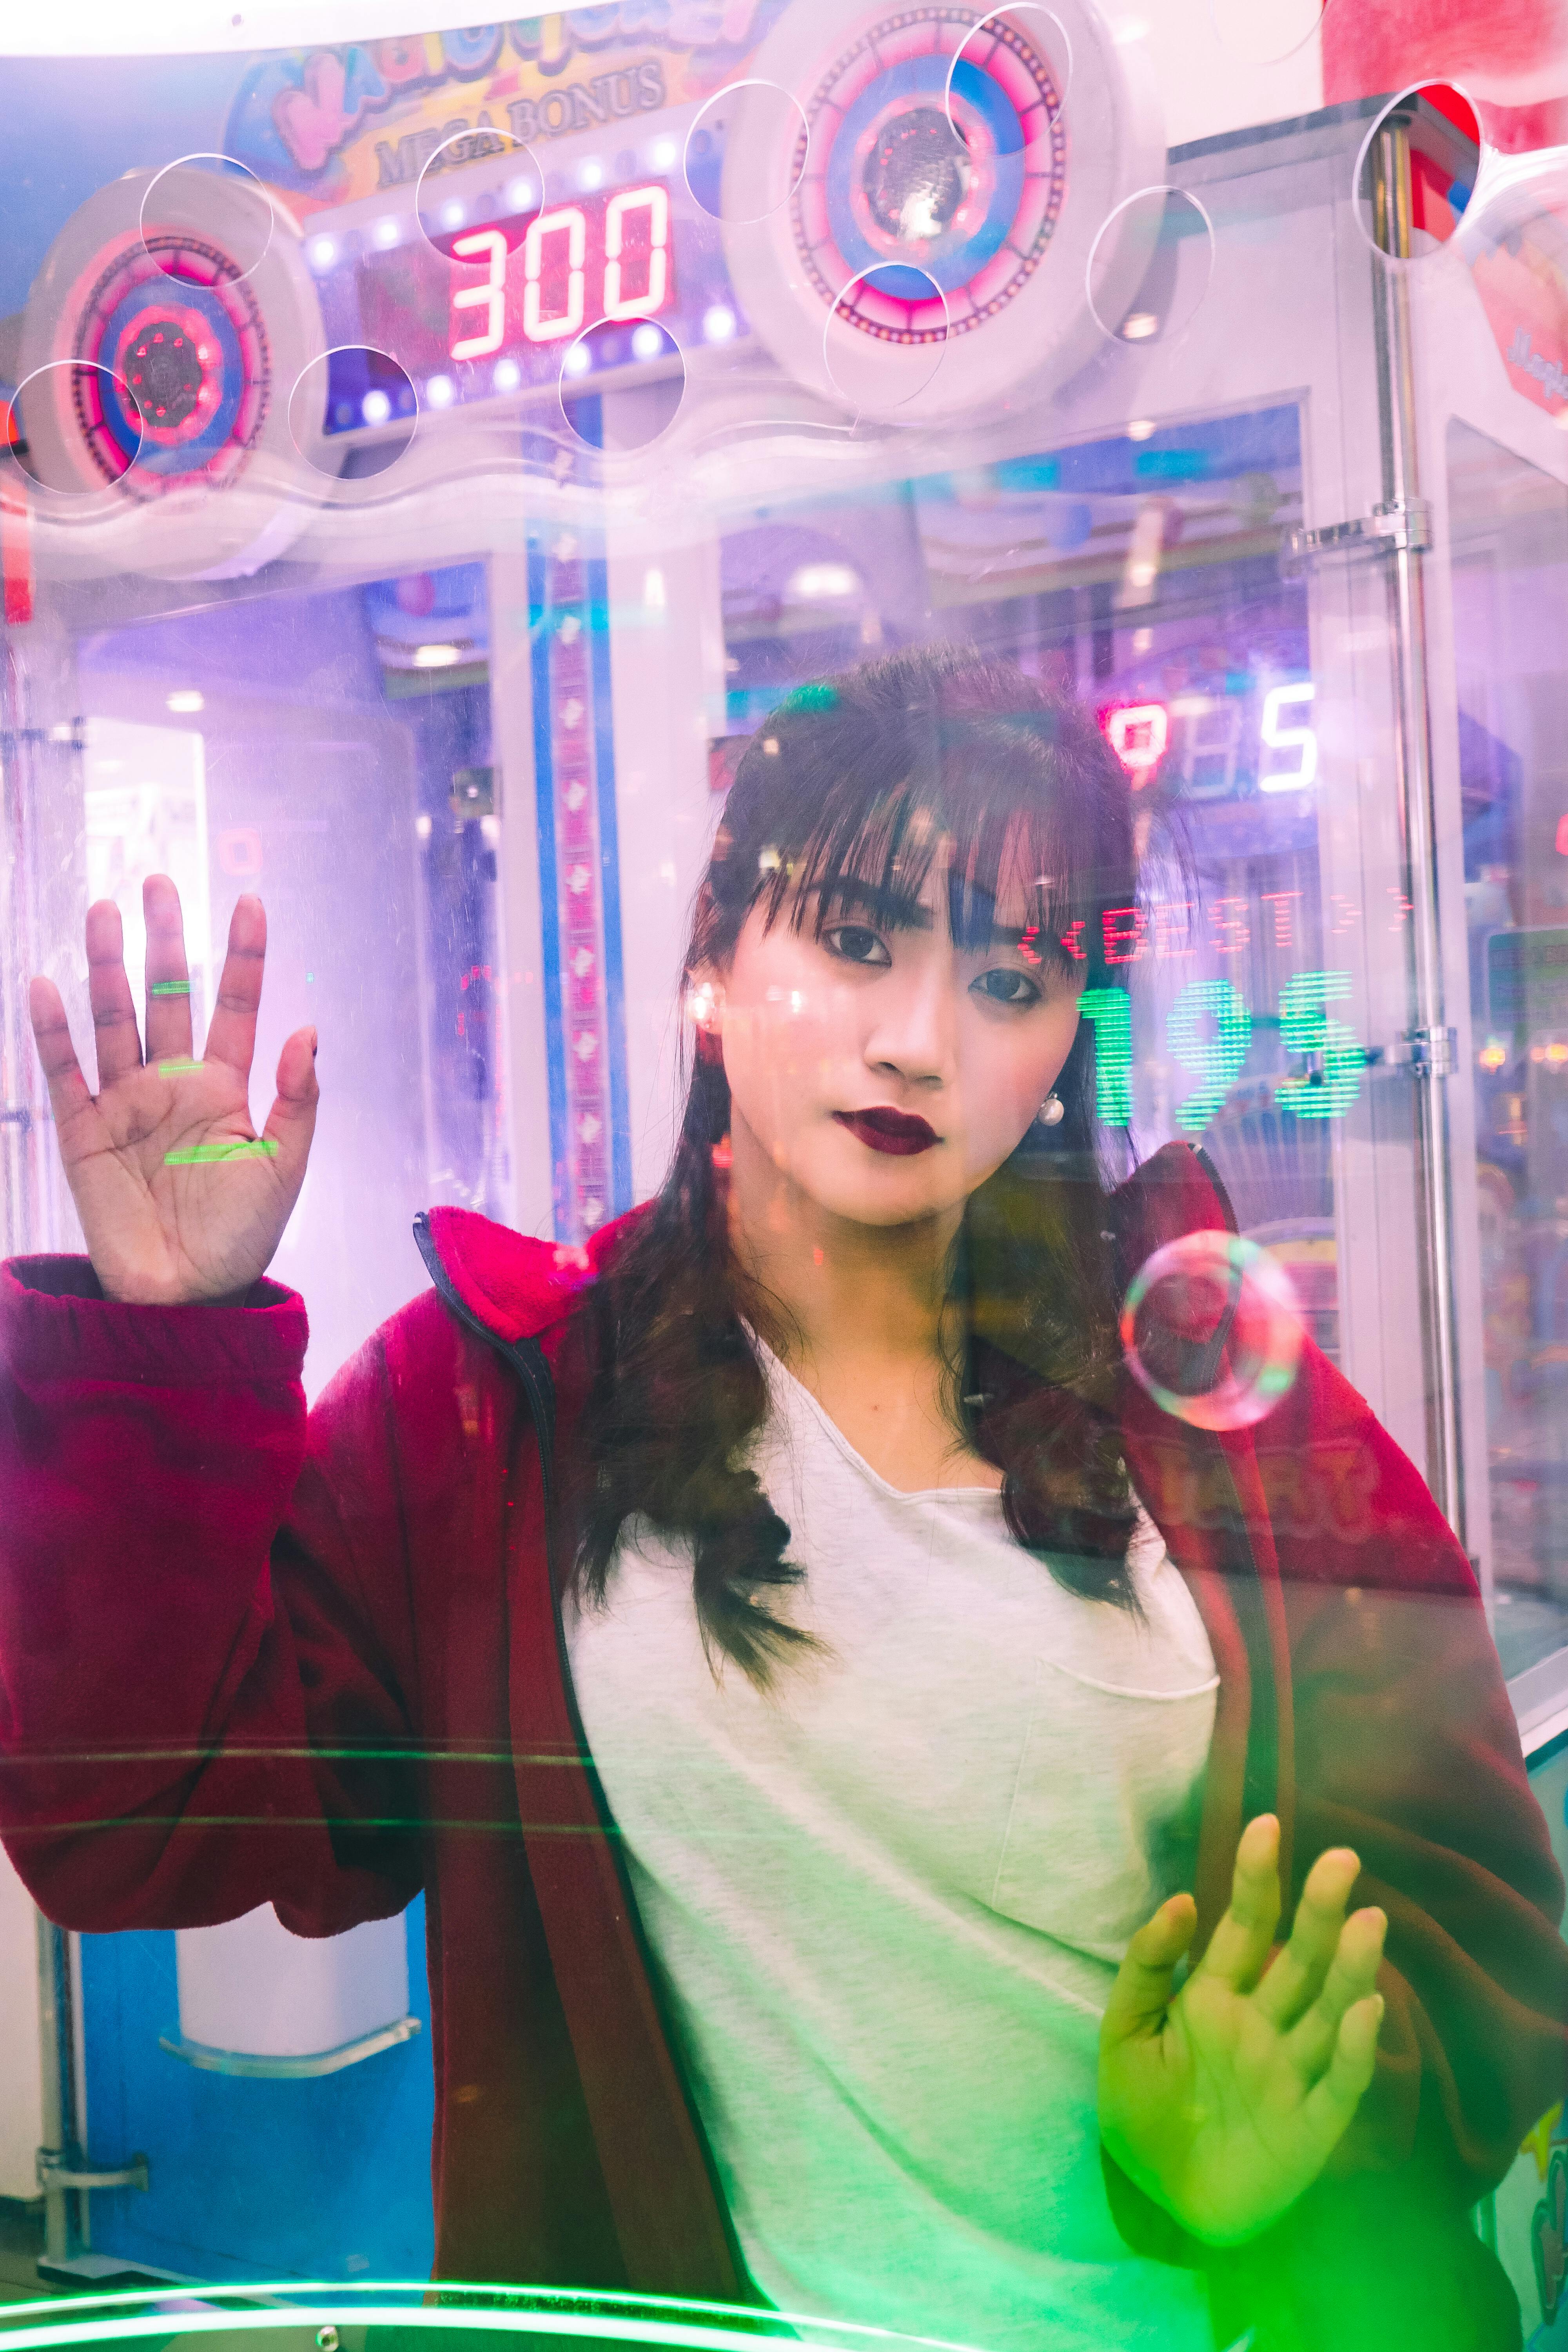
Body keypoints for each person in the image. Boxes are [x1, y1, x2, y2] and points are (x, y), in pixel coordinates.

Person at [0, 647, 1562, 2352]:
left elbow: (1476, 1918)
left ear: (1067, 1041)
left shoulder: (1206, 1403)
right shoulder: (493, 1410)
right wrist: (164, 1344)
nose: (917, 1042)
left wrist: (1275, 2153)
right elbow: (139, 1825)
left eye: (1012, 977)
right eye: (858, 939)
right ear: (715, 964)